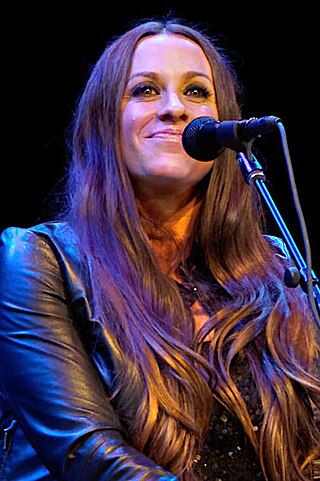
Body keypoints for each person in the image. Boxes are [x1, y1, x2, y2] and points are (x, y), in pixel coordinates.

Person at [0, 17, 319, 481]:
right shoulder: (38, 260)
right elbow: (87, 453)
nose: (175, 109)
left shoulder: (276, 267)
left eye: (196, 92)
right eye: (146, 90)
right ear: (106, 120)